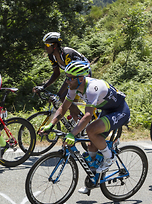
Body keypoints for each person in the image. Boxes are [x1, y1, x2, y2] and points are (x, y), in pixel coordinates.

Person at [40, 60, 129, 194]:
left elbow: (88, 115)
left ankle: (109, 157)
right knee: (91, 145)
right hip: (107, 110)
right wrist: (50, 124)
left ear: (81, 78)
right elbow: (63, 108)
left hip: (120, 111)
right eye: (66, 77)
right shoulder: (73, 87)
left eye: (70, 78)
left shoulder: (92, 88)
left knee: (90, 130)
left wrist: (72, 134)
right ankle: (93, 180)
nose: (67, 81)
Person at [34, 32, 90, 122]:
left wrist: (58, 95)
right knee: (65, 99)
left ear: (55, 45)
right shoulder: (52, 56)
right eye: (45, 44)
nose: (45, 47)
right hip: (73, 76)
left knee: (64, 97)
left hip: (83, 73)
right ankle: (79, 126)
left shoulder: (67, 54)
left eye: (48, 44)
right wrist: (44, 86)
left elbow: (70, 77)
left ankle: (85, 120)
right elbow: (56, 73)